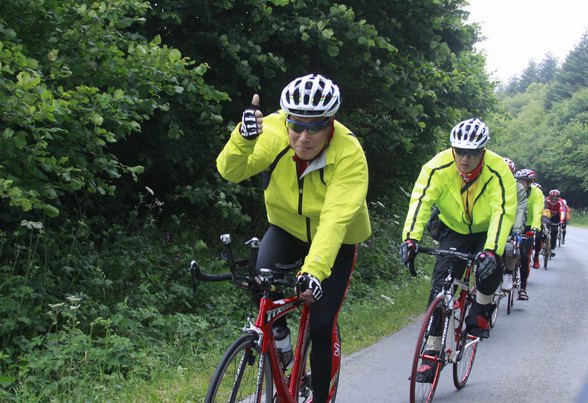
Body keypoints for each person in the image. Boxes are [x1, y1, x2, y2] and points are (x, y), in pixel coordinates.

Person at [216, 74, 371, 402]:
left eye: (314, 127)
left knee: (321, 323)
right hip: (286, 228)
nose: (303, 137)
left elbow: (335, 219)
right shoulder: (273, 131)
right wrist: (243, 138)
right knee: (258, 283)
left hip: (337, 240)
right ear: (287, 119)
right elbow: (231, 171)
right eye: (296, 125)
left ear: (330, 123)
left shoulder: (349, 153)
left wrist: (313, 271)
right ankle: (281, 343)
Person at [400, 118, 516, 382]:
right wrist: (410, 239)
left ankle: (482, 308)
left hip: (486, 229)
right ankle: (431, 353)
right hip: (453, 228)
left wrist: (491, 250)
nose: (465, 158)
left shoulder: (499, 170)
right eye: (460, 151)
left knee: (491, 267)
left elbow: (503, 211)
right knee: (439, 288)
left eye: (472, 153)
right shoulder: (437, 166)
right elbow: (420, 200)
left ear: (483, 151)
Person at [511, 169, 542, 300]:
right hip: (513, 224)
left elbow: (537, 211)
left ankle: (523, 288)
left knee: (524, 256)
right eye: (518, 182)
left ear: (529, 183)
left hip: (528, 225)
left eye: (523, 182)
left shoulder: (536, 193)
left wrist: (535, 228)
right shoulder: (513, 189)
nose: (520, 184)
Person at [501, 160, 526, 294]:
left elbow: (520, 210)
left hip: (510, 223)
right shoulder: (487, 182)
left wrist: (516, 231)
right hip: (490, 222)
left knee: (512, 247)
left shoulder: (518, 188)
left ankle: (508, 273)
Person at [530, 182, 547, 268]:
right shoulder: (523, 195)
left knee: (538, 238)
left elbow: (546, 212)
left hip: (539, 221)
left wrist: (544, 222)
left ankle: (536, 256)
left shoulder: (544, 200)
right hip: (526, 221)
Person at [545, 189, 565, 256]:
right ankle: (543, 243)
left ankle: (552, 248)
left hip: (555, 217)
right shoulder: (546, 200)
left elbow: (562, 211)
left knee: (554, 231)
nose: (554, 200)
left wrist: (561, 221)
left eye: (556, 198)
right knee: (544, 230)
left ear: (558, 198)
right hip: (547, 215)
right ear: (549, 197)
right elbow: (542, 210)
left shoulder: (561, 202)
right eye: (552, 198)